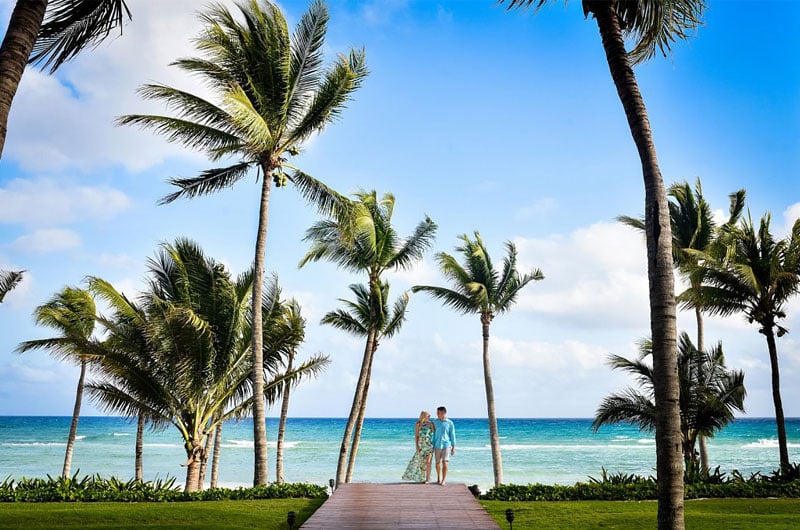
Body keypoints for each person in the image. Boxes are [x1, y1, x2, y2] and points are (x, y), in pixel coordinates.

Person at [401, 410, 435, 483]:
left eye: (429, 416)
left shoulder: (431, 424)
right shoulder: (418, 424)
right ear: (424, 416)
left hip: (429, 445)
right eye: (428, 416)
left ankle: (428, 479)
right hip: (421, 445)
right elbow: (416, 436)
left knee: (428, 462)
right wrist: (416, 445)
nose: (429, 417)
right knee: (420, 462)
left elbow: (434, 434)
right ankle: (421, 478)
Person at [430, 406, 456, 485]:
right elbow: (432, 434)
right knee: (437, 463)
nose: (437, 414)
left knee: (445, 462)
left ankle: (444, 480)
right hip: (437, 445)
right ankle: (439, 477)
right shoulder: (434, 422)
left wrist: (453, 447)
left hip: (446, 445)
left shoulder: (450, 423)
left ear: (444, 413)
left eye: (439, 412)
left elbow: (452, 435)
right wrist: (431, 444)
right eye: (437, 412)